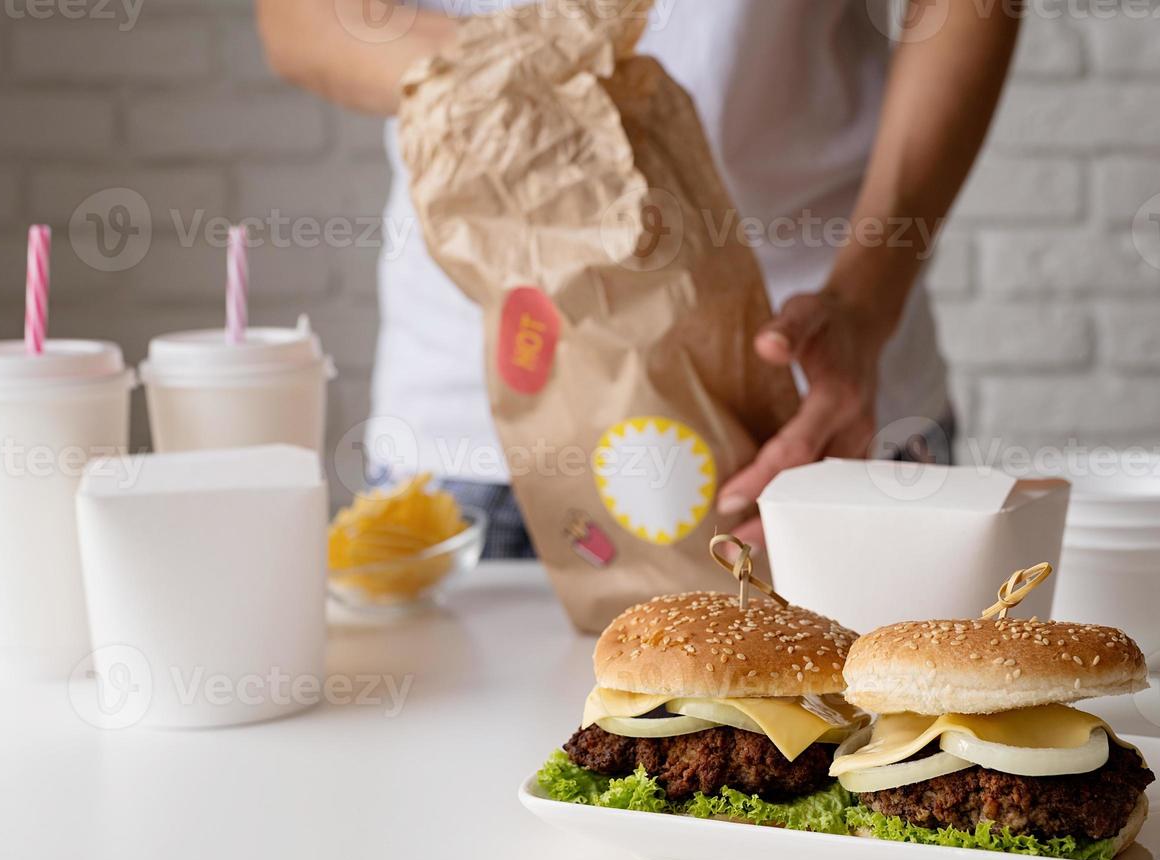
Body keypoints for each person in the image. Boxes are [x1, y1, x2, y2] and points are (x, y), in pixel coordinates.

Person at [258, 0, 1021, 557]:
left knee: (870, 760)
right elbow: (299, 21)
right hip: (476, 436)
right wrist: (537, 63)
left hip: (819, 401)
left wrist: (863, 304)